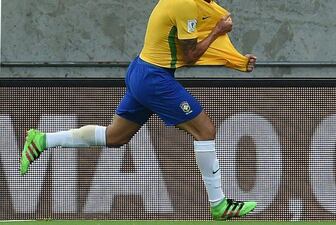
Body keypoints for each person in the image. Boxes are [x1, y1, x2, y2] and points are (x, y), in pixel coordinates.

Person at [20, 0, 257, 221]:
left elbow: (191, 40)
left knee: (115, 136)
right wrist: (217, 30)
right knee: (205, 130)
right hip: (154, 78)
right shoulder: (185, 4)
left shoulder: (193, 3)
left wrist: (235, 60)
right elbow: (191, 54)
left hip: (142, 70)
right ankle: (219, 204)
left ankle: (42, 140)